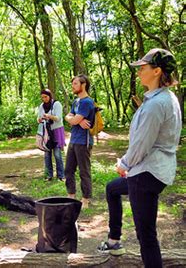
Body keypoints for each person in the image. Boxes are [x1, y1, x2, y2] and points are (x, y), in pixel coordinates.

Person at [98, 49, 181, 268]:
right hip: (151, 170)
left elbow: (141, 144)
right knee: (112, 189)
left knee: (146, 237)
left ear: (157, 71)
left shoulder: (156, 104)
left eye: (143, 68)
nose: (139, 73)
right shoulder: (164, 98)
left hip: (146, 174)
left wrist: (123, 164)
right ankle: (114, 240)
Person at [64, 74, 95, 209]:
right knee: (68, 169)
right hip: (74, 139)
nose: (73, 86)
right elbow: (68, 116)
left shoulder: (87, 102)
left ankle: (85, 199)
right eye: (73, 83)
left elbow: (73, 120)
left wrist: (76, 119)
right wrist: (76, 119)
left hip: (84, 141)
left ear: (83, 85)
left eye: (75, 83)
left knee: (84, 171)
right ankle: (71, 195)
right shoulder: (76, 101)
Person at [37, 89, 65, 181]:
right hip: (46, 132)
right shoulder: (42, 106)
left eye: (45, 97)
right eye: (42, 97)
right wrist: (40, 119)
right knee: (47, 154)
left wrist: (49, 116)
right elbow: (39, 117)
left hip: (56, 130)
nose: (44, 99)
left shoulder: (57, 104)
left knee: (57, 154)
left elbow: (59, 118)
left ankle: (61, 175)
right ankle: (49, 175)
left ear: (50, 96)